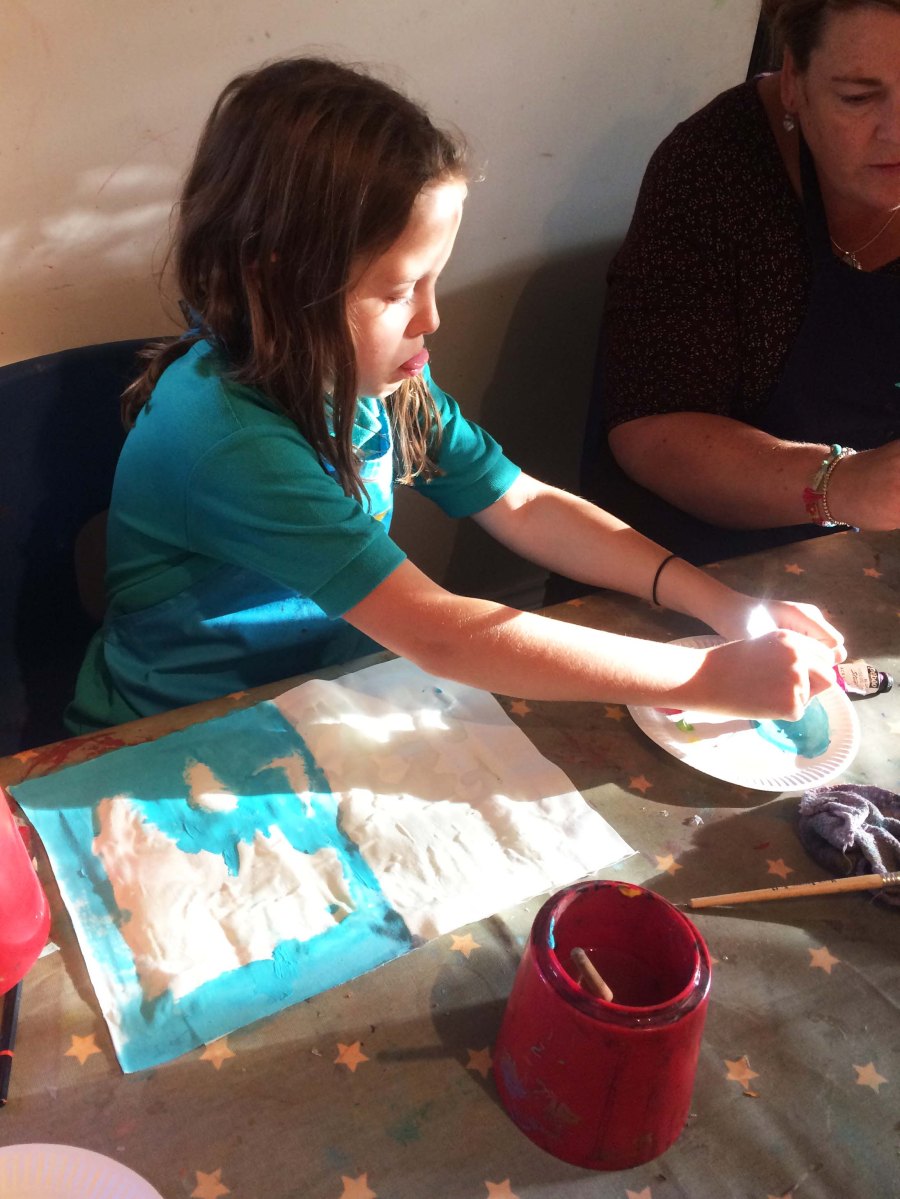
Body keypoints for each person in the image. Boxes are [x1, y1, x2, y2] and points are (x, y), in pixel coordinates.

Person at [67, 56, 844, 736]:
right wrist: (702, 677)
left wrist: (722, 604)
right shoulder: (231, 440)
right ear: (276, 280)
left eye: (433, 279)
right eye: (397, 290)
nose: (431, 319)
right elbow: (438, 630)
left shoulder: (378, 378)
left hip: (315, 702)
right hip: (173, 736)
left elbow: (522, 504)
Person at [579, 0, 900, 566]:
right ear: (794, 79)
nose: (896, 132)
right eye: (858, 97)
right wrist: (845, 483)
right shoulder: (716, 169)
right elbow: (651, 433)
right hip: (686, 568)